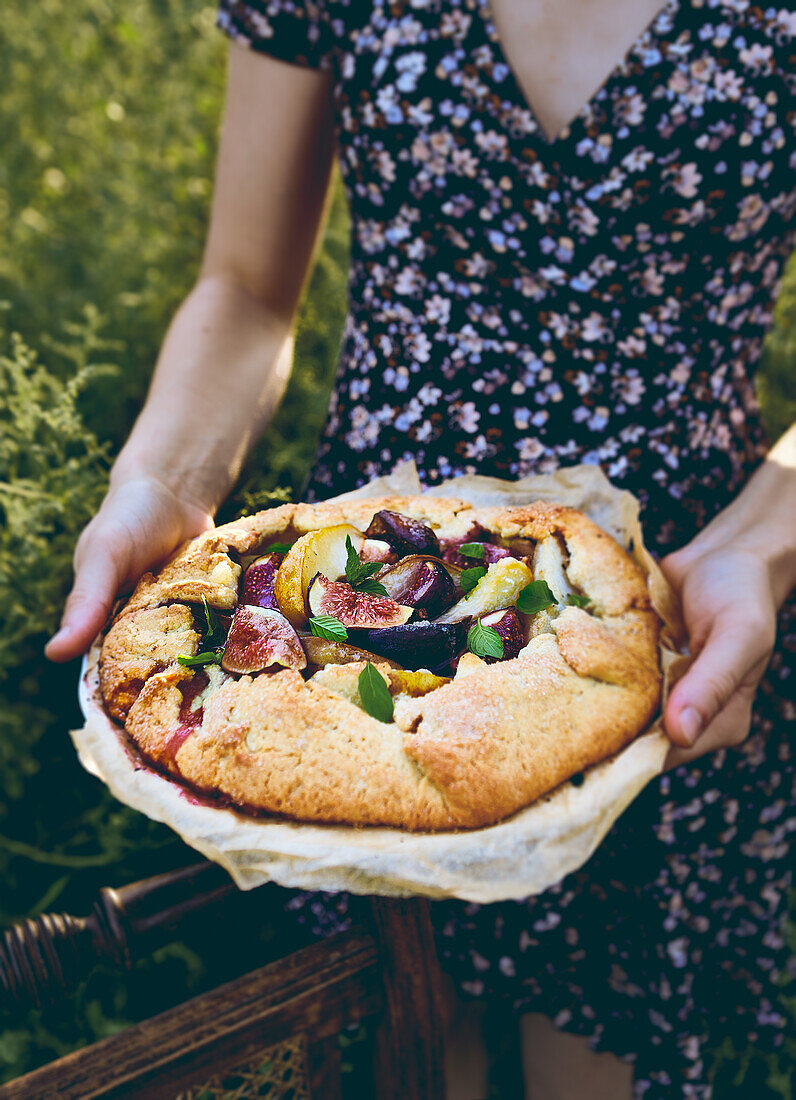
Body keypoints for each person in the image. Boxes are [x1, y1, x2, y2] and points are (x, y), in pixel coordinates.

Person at [46, 1, 795, 1096]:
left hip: (676, 607)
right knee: (402, 1043)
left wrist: (762, 552)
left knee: (594, 1059)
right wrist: (160, 482)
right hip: (335, 615)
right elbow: (247, 287)